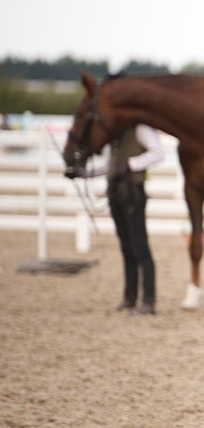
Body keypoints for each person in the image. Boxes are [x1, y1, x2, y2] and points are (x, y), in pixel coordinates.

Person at [73, 123, 165, 314]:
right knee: (125, 246)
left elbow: (158, 153)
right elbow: (110, 165)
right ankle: (129, 298)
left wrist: (131, 164)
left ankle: (148, 300)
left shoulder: (140, 129)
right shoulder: (113, 132)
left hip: (133, 193)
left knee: (140, 246)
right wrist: (84, 174)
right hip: (116, 191)